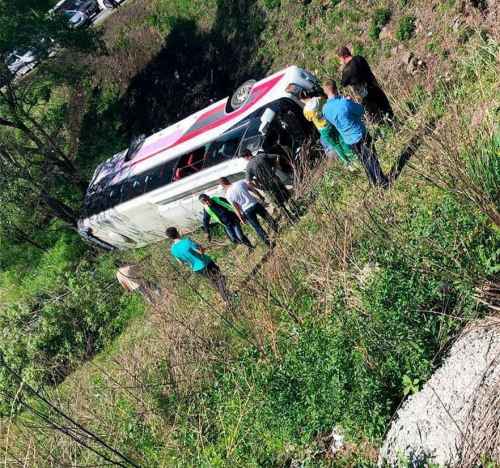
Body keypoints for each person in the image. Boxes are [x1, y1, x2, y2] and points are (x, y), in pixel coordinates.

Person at [322, 79, 389, 188]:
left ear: (325, 92)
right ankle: (383, 182)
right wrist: (351, 101)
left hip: (348, 139)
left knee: (363, 160)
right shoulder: (344, 103)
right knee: (372, 157)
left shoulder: (325, 109)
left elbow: (331, 122)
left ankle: (374, 182)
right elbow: (361, 110)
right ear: (336, 88)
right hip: (359, 134)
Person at [166, 227, 231, 303]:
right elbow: (201, 252)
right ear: (177, 232)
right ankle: (227, 298)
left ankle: (226, 297)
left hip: (196, 269)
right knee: (220, 278)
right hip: (205, 263)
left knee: (214, 280)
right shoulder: (187, 242)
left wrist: (190, 259)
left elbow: (181, 262)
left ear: (170, 237)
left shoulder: (173, 249)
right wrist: (202, 247)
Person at [338, 46, 394, 123]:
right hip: (375, 87)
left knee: (376, 118)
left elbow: (343, 83)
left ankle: (387, 129)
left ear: (343, 56)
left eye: (340, 59)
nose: (340, 61)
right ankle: (395, 125)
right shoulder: (360, 58)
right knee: (386, 109)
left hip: (366, 96)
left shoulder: (347, 70)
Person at [299, 89, 355, 165]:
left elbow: (309, 119)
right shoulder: (319, 99)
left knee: (335, 145)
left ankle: (347, 162)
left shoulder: (306, 110)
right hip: (330, 122)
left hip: (323, 129)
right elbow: (327, 103)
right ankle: (352, 156)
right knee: (341, 139)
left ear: (301, 99)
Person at [220, 177, 278, 247]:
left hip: (247, 211)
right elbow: (252, 189)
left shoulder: (228, 195)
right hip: (255, 204)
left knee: (257, 227)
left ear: (222, 185)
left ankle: (268, 243)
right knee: (268, 218)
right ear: (227, 180)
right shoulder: (239, 183)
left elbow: (236, 207)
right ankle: (277, 231)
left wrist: (240, 217)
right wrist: (260, 196)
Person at [243, 150, 299, 221]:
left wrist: (259, 187)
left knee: (278, 204)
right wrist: (276, 166)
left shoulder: (248, 166)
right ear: (250, 153)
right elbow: (277, 156)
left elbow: (248, 182)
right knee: (286, 197)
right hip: (275, 180)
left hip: (266, 187)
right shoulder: (262, 156)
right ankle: (297, 211)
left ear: (245, 157)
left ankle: (290, 219)